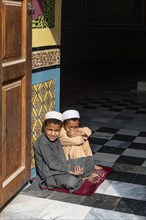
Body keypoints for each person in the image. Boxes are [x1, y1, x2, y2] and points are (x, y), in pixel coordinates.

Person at [33, 110, 103, 193]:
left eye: (56, 131)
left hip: (62, 167)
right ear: (44, 127)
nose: (53, 133)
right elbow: (52, 164)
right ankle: (79, 177)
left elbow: (62, 157)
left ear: (60, 129)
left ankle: (79, 175)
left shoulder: (55, 138)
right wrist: (71, 171)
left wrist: (70, 168)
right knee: (72, 182)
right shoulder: (43, 142)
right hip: (51, 174)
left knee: (89, 161)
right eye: (50, 130)